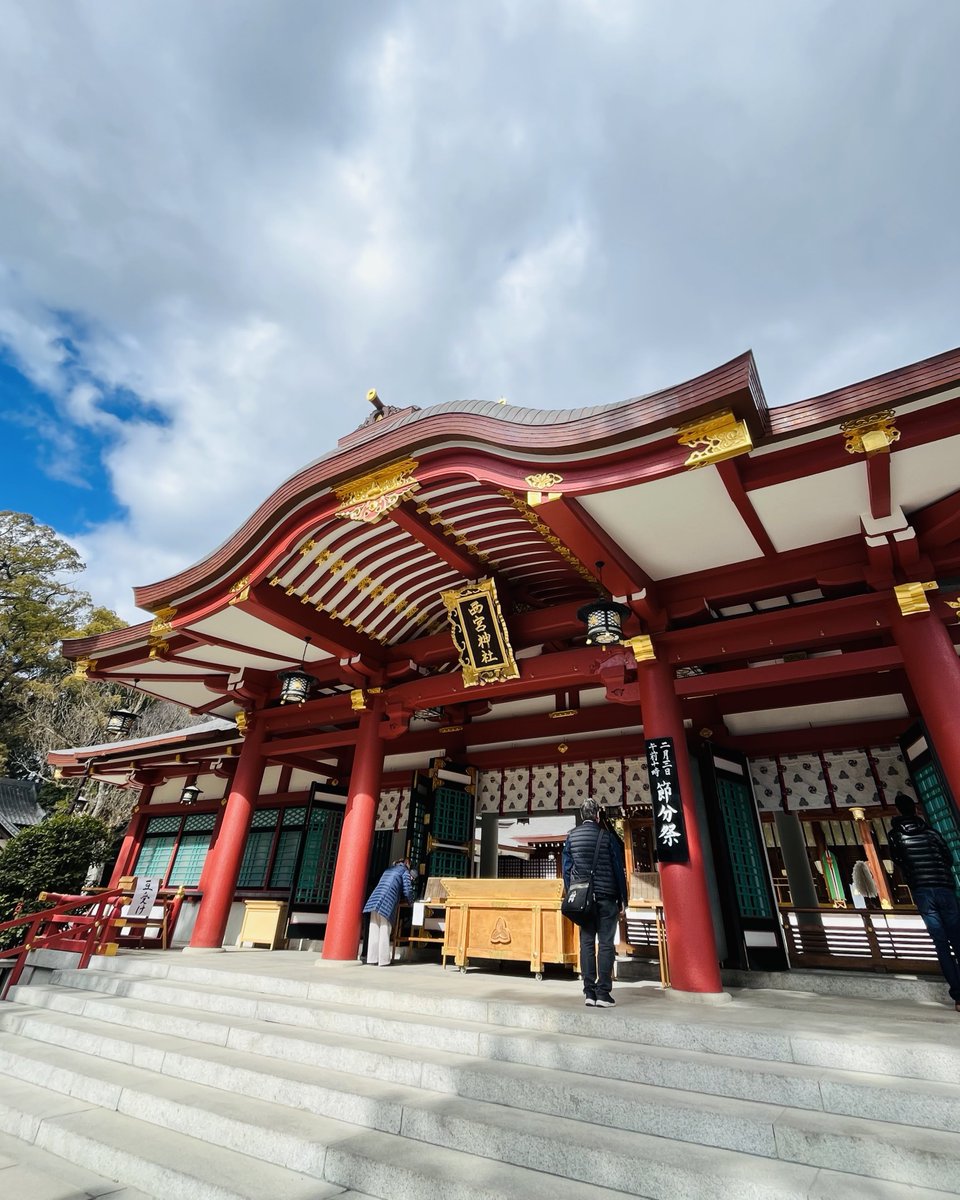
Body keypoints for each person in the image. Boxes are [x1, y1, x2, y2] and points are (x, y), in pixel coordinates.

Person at [888, 793, 960, 1012]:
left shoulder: (895, 836)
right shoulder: (932, 832)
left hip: (922, 891)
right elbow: (948, 857)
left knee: (941, 944)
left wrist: (914, 876)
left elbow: (898, 861)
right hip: (944, 887)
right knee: (958, 939)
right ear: (916, 810)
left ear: (898, 811)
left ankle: (958, 996)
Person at [562, 798, 628, 1007]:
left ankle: (589, 992)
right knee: (606, 944)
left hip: (584, 899)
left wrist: (574, 893)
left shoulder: (571, 837)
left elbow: (566, 870)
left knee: (587, 943)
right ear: (597, 815)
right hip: (607, 897)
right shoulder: (607, 837)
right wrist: (623, 899)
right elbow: (618, 869)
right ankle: (604, 993)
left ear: (583, 816)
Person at [362, 858, 416, 966]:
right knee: (384, 929)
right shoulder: (404, 871)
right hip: (387, 901)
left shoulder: (389, 870)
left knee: (374, 929)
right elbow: (407, 890)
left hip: (374, 899)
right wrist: (412, 902)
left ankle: (372, 959)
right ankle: (384, 960)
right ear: (407, 864)